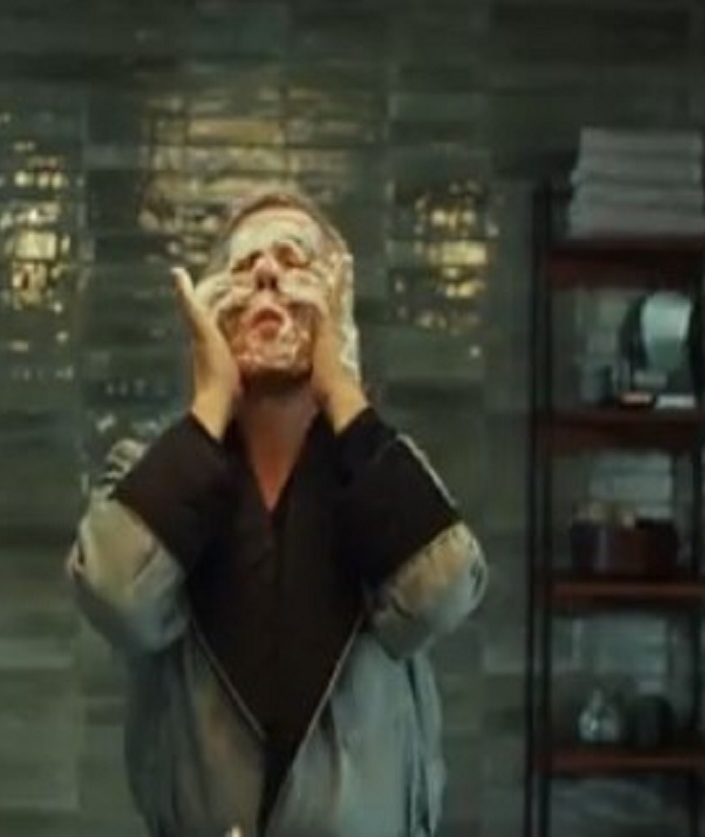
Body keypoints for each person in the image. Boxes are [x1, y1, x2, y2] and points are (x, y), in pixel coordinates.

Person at [66, 189, 489, 836]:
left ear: (339, 312)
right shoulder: (152, 475)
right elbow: (116, 598)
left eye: (293, 261)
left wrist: (341, 389)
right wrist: (211, 400)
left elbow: (442, 592)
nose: (266, 272)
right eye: (243, 267)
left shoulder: (382, 473)